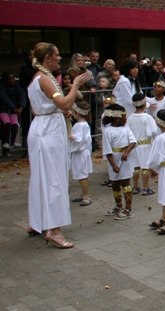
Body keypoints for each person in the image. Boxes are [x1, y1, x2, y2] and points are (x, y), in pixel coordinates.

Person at [26, 42, 91, 247]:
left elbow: (38, 110)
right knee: (54, 178)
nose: (59, 59)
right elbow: (64, 102)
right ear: (47, 58)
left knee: (41, 177)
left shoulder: (36, 78)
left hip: (42, 127)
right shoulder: (44, 78)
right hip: (49, 133)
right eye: (56, 56)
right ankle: (54, 230)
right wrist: (76, 85)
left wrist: (56, 111)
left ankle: (37, 222)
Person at [102, 104, 137, 220]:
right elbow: (107, 150)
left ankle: (129, 208)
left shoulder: (126, 128)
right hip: (114, 160)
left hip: (125, 160)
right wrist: (113, 164)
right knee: (115, 183)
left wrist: (126, 152)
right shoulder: (107, 131)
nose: (126, 119)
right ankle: (118, 206)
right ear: (117, 118)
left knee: (126, 183)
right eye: (124, 116)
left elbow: (133, 141)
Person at [128, 92, 158, 196]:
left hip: (134, 145)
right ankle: (145, 188)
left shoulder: (130, 117)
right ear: (144, 103)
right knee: (145, 166)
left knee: (136, 166)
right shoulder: (147, 117)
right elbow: (154, 132)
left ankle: (136, 187)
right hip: (145, 145)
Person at [68, 101, 93, 206]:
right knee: (80, 174)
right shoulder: (82, 124)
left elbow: (79, 139)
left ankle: (87, 195)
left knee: (82, 174)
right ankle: (84, 193)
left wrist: (70, 135)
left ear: (77, 113)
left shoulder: (80, 125)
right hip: (81, 152)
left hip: (80, 153)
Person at [0, 71, 26, 155]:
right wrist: (13, 108)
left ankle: (12, 142)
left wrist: (21, 107)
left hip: (13, 110)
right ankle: (6, 143)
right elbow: (4, 98)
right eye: (10, 79)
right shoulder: (2, 87)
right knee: (7, 123)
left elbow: (22, 95)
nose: (12, 81)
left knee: (15, 124)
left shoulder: (17, 87)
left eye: (13, 78)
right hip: (4, 109)